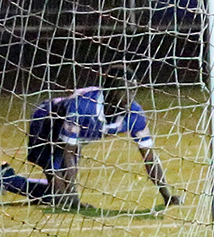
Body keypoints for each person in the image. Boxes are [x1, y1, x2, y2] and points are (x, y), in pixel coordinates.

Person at [2, 76, 181, 210]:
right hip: (47, 122)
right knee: (61, 197)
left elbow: (149, 157)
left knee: (57, 196)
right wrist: (74, 198)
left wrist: (167, 194)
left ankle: (6, 177)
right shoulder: (84, 106)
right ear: (110, 92)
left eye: (133, 90)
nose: (130, 96)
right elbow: (68, 151)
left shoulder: (135, 115)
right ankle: (7, 178)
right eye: (125, 90)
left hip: (70, 138)